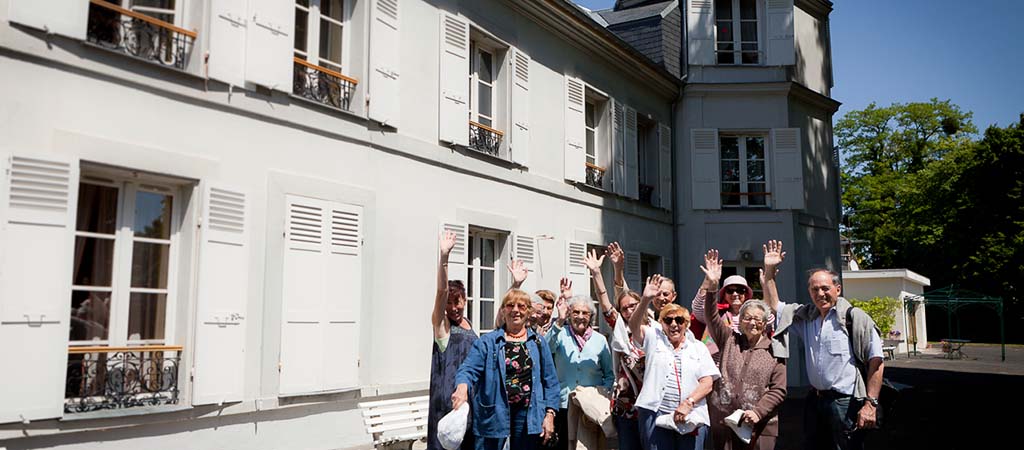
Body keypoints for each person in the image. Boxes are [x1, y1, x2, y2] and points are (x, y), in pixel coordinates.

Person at [764, 246, 885, 450]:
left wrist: (870, 404)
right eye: (814, 289)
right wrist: (769, 272)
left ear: (838, 289)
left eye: (825, 288)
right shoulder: (806, 318)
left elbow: (877, 362)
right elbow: (775, 306)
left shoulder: (855, 318)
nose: (820, 293)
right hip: (816, 401)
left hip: (846, 403)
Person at [699, 250, 787, 450]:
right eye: (747, 318)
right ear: (741, 322)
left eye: (757, 319)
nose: (752, 323)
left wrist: (758, 411)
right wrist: (712, 286)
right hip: (724, 424)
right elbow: (711, 316)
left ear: (765, 323)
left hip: (760, 426)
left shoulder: (775, 349)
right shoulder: (729, 338)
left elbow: (779, 389)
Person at [452, 289, 560, 450]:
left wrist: (550, 415)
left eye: (521, 306)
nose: (515, 310)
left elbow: (550, 381)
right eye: (510, 305)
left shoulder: (538, 342)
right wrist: (462, 387)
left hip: (528, 416)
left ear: (529, 311)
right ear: (503, 310)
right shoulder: (488, 342)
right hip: (493, 414)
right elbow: (468, 369)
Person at [629, 274, 720, 450]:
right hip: (655, 413)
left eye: (679, 320)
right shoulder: (653, 338)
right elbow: (634, 326)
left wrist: (688, 403)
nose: (673, 324)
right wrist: (645, 299)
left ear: (686, 323)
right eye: (668, 320)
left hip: (690, 414)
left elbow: (707, 383)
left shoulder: (698, 347)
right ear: (661, 323)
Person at [584, 248, 645, 450]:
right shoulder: (620, 328)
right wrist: (596, 273)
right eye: (625, 308)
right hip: (626, 405)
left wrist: (619, 268)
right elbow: (605, 300)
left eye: (633, 305)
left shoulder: (656, 326)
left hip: (653, 403)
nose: (629, 310)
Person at [428, 231, 479, 450]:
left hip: (470, 401)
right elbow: (441, 291)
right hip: (447, 403)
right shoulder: (443, 327)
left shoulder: (468, 324)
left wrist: (515, 286)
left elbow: (500, 321)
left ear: (465, 300)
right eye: (449, 304)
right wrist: (444, 257)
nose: (453, 308)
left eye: (457, 302)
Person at [548, 290, 614, 450]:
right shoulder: (560, 334)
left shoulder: (600, 340)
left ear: (591, 316)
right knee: (563, 445)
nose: (580, 316)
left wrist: (601, 395)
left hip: (590, 406)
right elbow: (546, 347)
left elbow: (609, 374)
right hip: (563, 404)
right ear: (569, 314)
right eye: (576, 312)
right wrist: (559, 321)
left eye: (585, 313)